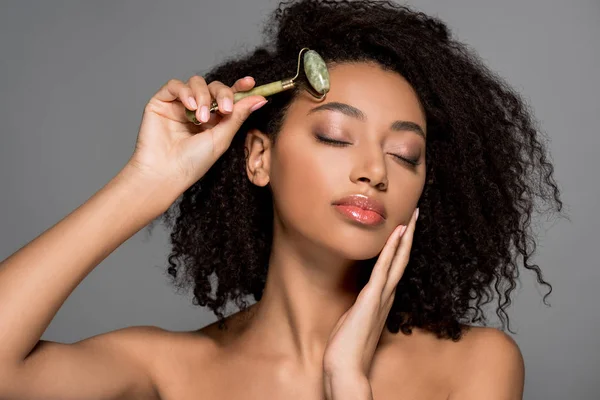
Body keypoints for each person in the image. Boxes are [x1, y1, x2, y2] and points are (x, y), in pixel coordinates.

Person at [0, 0, 564, 398]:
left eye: (404, 154)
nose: (373, 171)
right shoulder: (170, 372)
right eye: (336, 137)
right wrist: (149, 179)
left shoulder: (474, 365)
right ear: (259, 158)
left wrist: (348, 385)